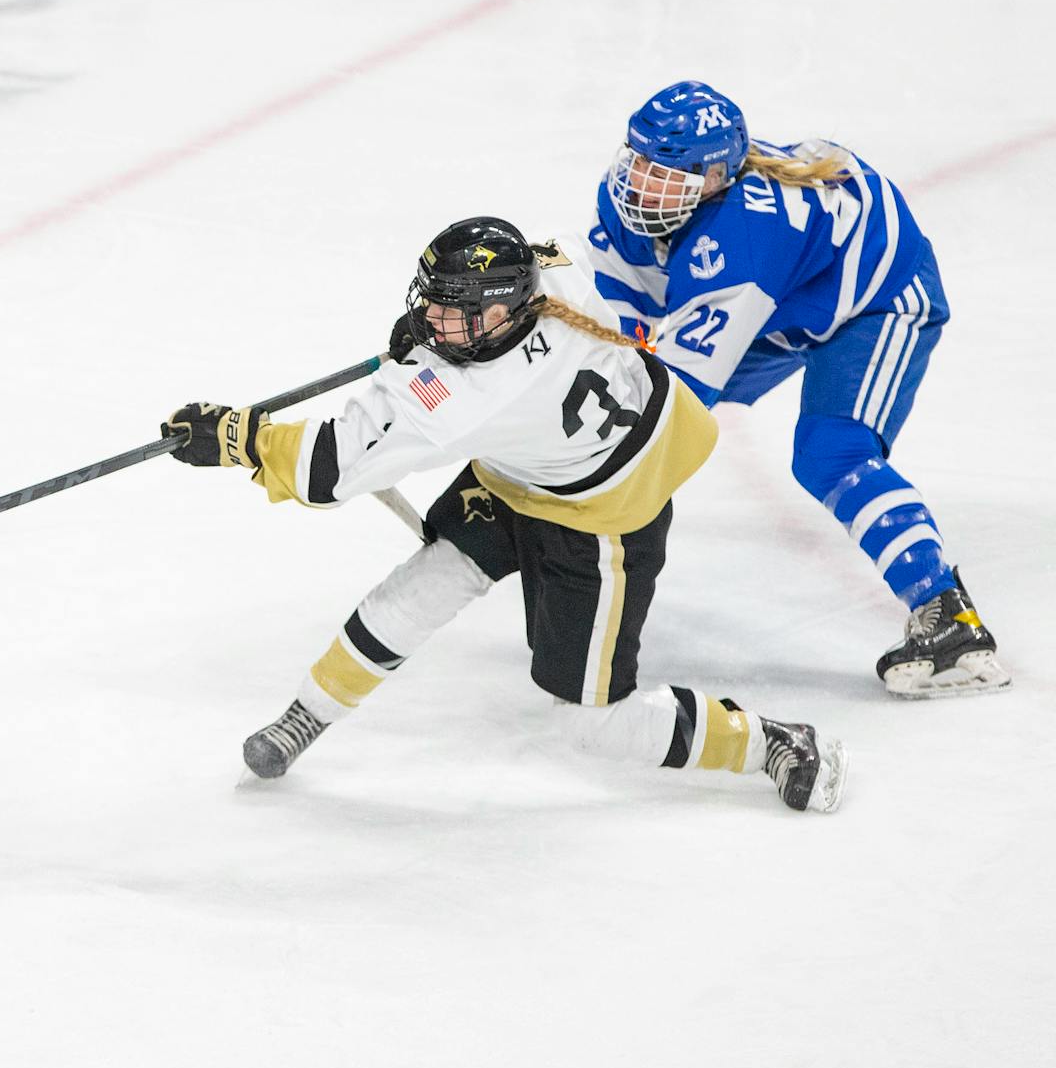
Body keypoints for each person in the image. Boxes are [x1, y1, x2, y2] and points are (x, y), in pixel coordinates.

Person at [162, 217, 846, 812]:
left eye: (450, 311)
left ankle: (769, 742)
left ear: (500, 314)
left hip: (603, 512)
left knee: (593, 724)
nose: (433, 321)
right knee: (425, 583)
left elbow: (326, 471)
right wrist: (431, 335)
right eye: (431, 303)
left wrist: (238, 438)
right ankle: (305, 717)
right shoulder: (554, 269)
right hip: (533, 465)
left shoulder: (461, 396)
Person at [586, 80, 1005, 698]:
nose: (638, 183)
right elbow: (631, 333)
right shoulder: (639, 205)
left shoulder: (743, 245)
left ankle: (951, 622)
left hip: (877, 300)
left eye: (662, 172)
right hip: (788, 297)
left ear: (710, 180)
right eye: (637, 161)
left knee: (831, 453)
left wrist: (576, 478)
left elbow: (672, 405)